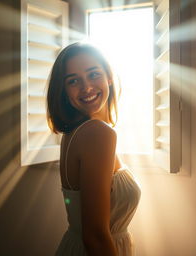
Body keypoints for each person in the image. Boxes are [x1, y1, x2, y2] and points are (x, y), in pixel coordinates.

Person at [47, 42, 141, 256]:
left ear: (109, 76)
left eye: (93, 74)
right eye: (73, 81)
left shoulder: (75, 132)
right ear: (64, 90)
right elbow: (96, 236)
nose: (86, 87)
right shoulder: (97, 134)